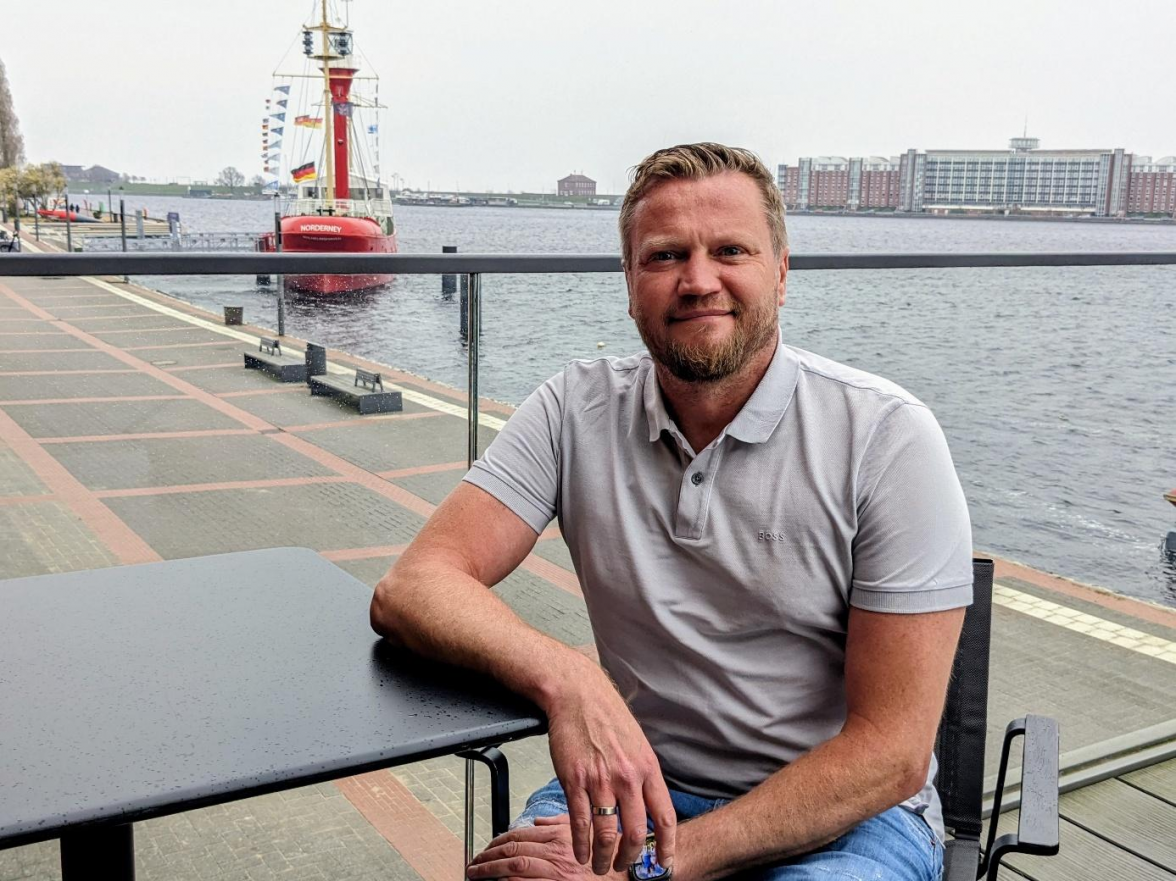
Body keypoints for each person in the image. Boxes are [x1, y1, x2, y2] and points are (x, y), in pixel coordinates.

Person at [370, 142, 972, 881]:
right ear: (628, 284)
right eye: (664, 256)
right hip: (637, 785)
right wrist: (571, 680)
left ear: (781, 273)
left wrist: (653, 868)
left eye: (730, 250)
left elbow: (892, 752)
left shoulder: (886, 436)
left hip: (847, 821)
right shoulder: (573, 409)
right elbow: (414, 585)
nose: (697, 280)